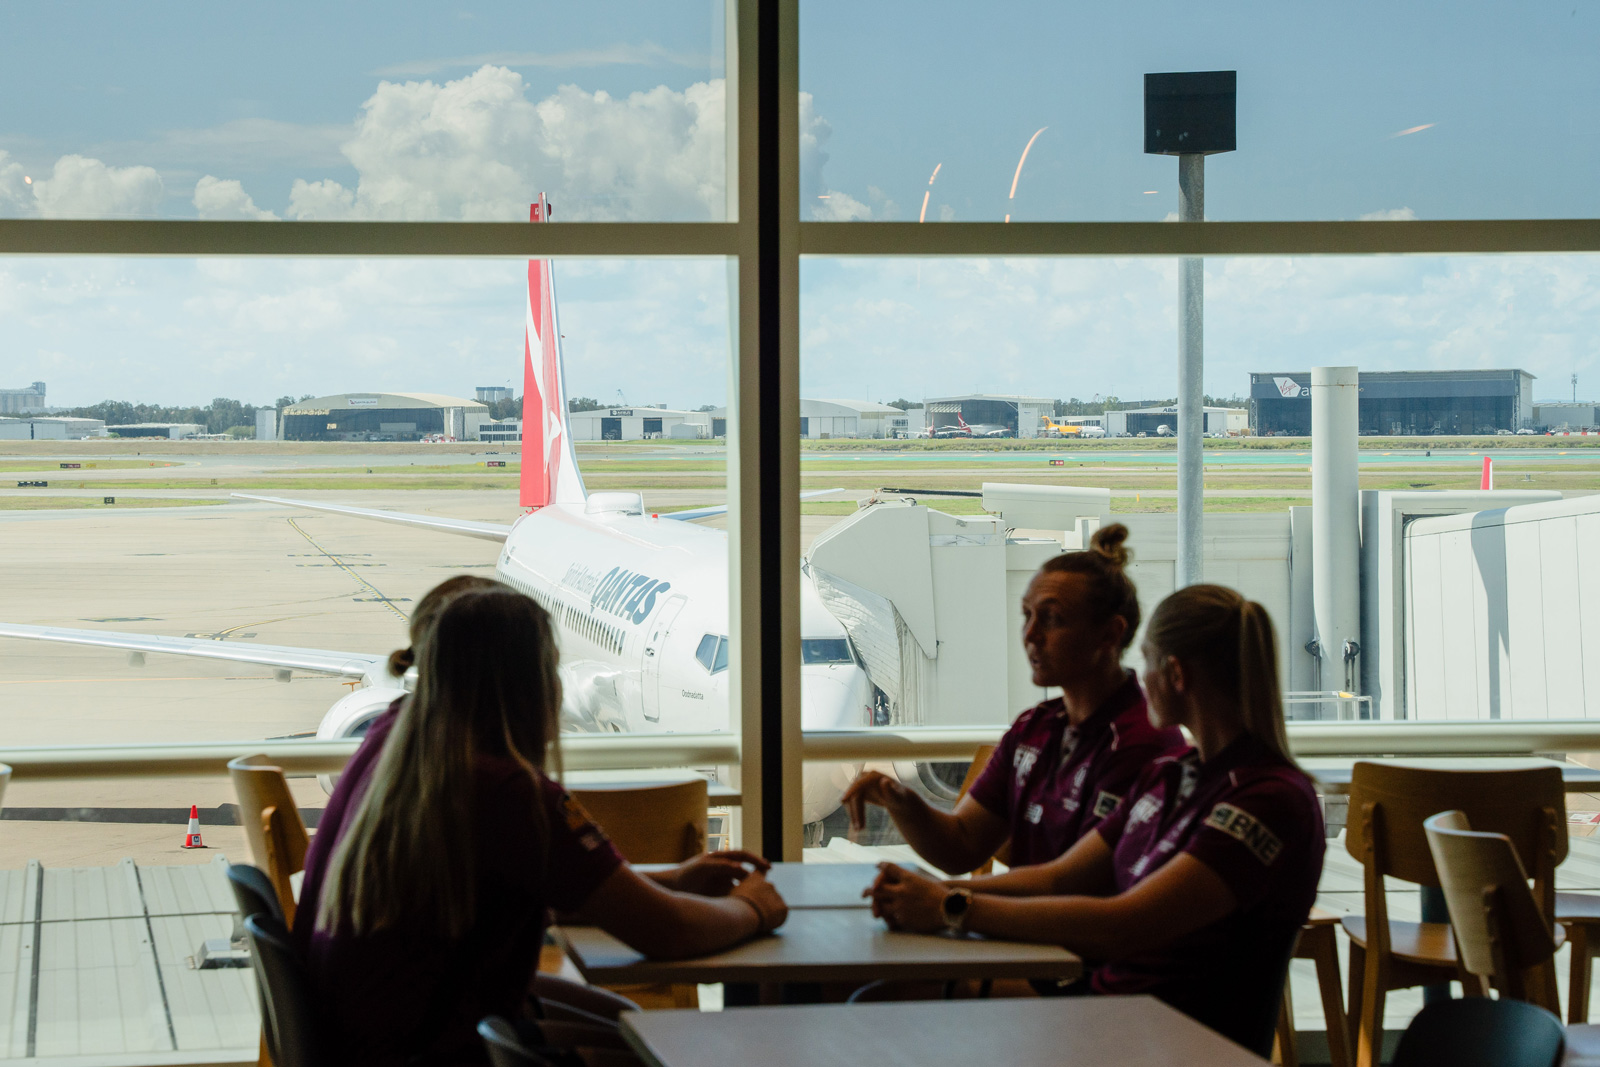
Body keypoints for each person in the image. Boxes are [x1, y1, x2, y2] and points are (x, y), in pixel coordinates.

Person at [299, 586, 787, 1066]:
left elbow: (532, 889)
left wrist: (670, 881)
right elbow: (668, 932)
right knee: (661, 1042)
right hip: (427, 1046)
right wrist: (754, 908)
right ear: (529, 683)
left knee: (623, 1021)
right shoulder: (508, 792)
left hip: (356, 1034)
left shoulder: (397, 739)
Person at [867, 584, 1325, 1057]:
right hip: (1114, 1011)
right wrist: (934, 893)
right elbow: (1060, 878)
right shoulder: (1171, 775)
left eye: (1145, 662)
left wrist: (951, 908)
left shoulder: (1270, 801)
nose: (1139, 678)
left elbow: (1124, 925)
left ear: (1175, 674)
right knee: (880, 998)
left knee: (886, 1011)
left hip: (1174, 1039)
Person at [840, 524, 1185, 874]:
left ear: (1110, 634)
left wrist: (946, 900)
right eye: (1028, 615)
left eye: (1053, 619)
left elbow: (1075, 889)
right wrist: (899, 801)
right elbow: (964, 844)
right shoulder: (1034, 728)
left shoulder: (1142, 746)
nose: (1031, 634)